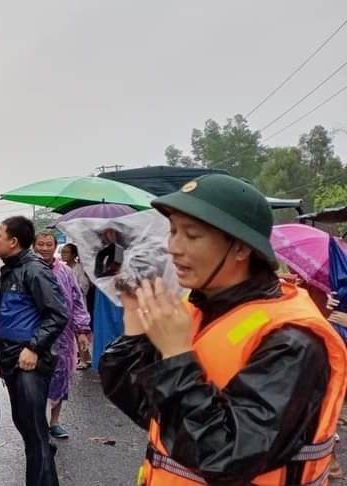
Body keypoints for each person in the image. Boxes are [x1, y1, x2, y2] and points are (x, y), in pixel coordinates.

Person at [99, 174, 347, 485]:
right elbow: (148, 409)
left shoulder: (293, 340)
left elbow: (226, 455)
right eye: (173, 232)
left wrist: (176, 354)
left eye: (191, 235)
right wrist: (135, 325)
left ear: (241, 248)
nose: (173, 248)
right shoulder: (199, 306)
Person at [0, 216, 67, 486]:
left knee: (35, 436)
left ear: (13, 241)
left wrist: (34, 347)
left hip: (30, 364)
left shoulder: (35, 270)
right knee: (28, 428)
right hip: (11, 360)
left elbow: (57, 314)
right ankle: (45, 455)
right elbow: (7, 317)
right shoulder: (10, 269)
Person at [33, 231, 90, 440]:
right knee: (35, 380)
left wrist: (81, 330)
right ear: (33, 247)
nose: (45, 248)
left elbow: (76, 300)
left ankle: (54, 422)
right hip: (35, 336)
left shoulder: (65, 272)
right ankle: (37, 422)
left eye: (49, 244)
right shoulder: (27, 270)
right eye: (41, 244)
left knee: (61, 377)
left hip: (63, 336)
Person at [60, 243, 93, 369]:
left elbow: (84, 286)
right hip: (67, 305)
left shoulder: (78, 268)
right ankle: (86, 357)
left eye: (66, 252)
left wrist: (71, 290)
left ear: (74, 255)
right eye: (62, 252)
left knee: (80, 332)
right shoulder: (63, 268)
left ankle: (84, 359)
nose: (63, 254)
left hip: (78, 304)